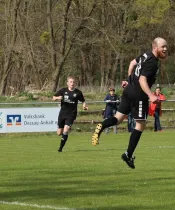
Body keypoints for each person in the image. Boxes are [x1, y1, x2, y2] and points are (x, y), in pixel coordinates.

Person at [92, 37, 168, 169]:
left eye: (166, 46)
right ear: (155, 47)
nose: (165, 49)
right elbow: (143, 80)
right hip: (139, 94)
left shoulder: (145, 55)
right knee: (141, 124)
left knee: (117, 119)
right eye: (163, 47)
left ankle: (102, 125)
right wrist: (151, 95)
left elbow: (132, 63)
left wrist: (128, 79)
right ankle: (128, 155)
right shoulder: (152, 62)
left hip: (128, 90)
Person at [52, 77, 88, 152]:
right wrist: (58, 98)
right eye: (71, 82)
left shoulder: (78, 92)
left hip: (71, 114)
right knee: (59, 133)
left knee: (66, 130)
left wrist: (84, 106)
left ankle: (60, 148)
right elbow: (53, 97)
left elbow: (83, 101)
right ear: (67, 83)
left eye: (73, 82)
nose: (72, 83)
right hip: (62, 114)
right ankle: (64, 135)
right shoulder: (63, 90)